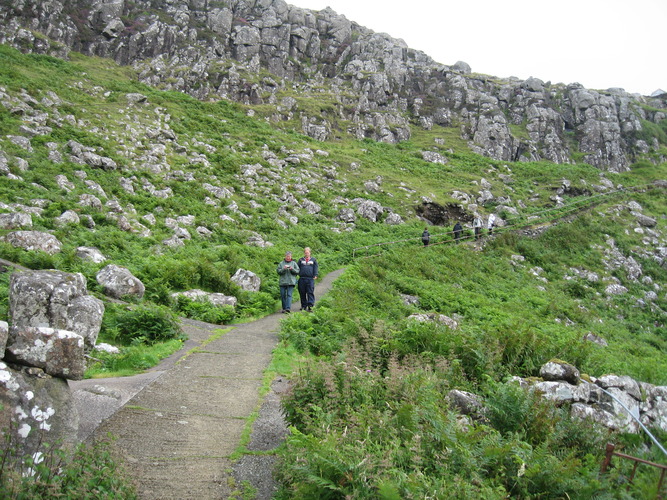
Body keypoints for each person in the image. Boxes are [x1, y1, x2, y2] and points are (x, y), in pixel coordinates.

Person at [297, 247, 318, 312]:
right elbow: (297, 268)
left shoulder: (313, 260)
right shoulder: (300, 260)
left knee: (310, 292)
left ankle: (310, 306)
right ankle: (303, 306)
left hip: (310, 279)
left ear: (310, 253)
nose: (307, 254)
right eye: (305, 253)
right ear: (304, 253)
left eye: (308, 253)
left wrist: (315, 275)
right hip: (302, 279)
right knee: (302, 292)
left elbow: (315, 268)